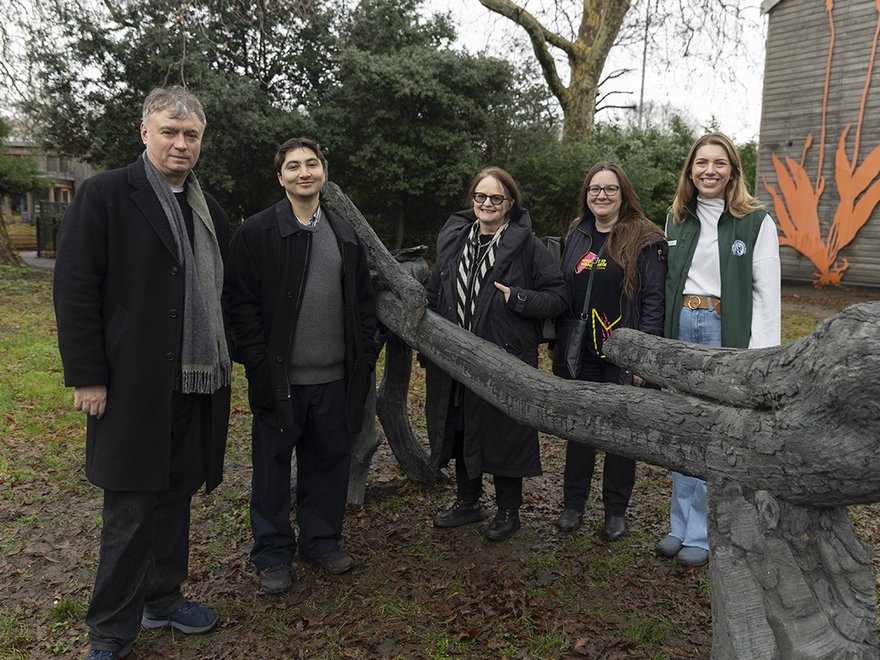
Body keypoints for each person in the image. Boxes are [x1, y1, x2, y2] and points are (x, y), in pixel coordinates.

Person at [53, 86, 232, 660]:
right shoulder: (107, 194)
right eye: (169, 132)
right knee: (129, 510)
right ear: (144, 132)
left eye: (191, 135)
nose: (181, 144)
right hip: (130, 383)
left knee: (176, 494)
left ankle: (162, 598)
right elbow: (76, 286)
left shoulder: (207, 209)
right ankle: (110, 632)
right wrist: (88, 375)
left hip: (194, 382)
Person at [225, 137, 378, 594]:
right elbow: (239, 307)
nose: (303, 172)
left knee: (328, 463)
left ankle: (321, 540)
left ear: (324, 173)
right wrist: (257, 364)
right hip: (280, 381)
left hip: (335, 380)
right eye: (293, 166)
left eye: (312, 164)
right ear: (280, 177)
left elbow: (364, 307)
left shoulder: (345, 235)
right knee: (272, 469)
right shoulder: (256, 233)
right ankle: (272, 553)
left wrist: (365, 356)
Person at [656, 132, 780, 567]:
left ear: (733, 170)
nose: (709, 170)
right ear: (690, 170)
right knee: (681, 426)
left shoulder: (755, 221)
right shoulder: (676, 219)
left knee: (713, 429)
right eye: (701, 163)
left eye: (719, 163)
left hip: (723, 330)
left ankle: (703, 532)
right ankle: (678, 525)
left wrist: (761, 357)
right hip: (681, 328)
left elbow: (767, 292)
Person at [425, 167, 566, 542]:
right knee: (460, 426)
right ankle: (468, 502)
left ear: (510, 204)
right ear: (473, 200)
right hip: (456, 356)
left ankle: (508, 510)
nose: (487, 204)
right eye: (480, 197)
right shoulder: (456, 241)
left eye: (496, 198)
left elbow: (557, 296)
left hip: (505, 356)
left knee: (505, 430)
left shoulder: (528, 247)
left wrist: (518, 298)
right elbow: (437, 290)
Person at [552, 162, 667, 540]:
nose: (601, 195)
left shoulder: (645, 237)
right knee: (579, 430)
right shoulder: (578, 233)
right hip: (581, 351)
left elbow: (653, 301)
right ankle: (573, 504)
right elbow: (563, 292)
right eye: (594, 189)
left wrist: (643, 361)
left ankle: (615, 510)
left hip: (623, 353)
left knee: (621, 435)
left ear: (623, 194)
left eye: (610, 189)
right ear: (587, 195)